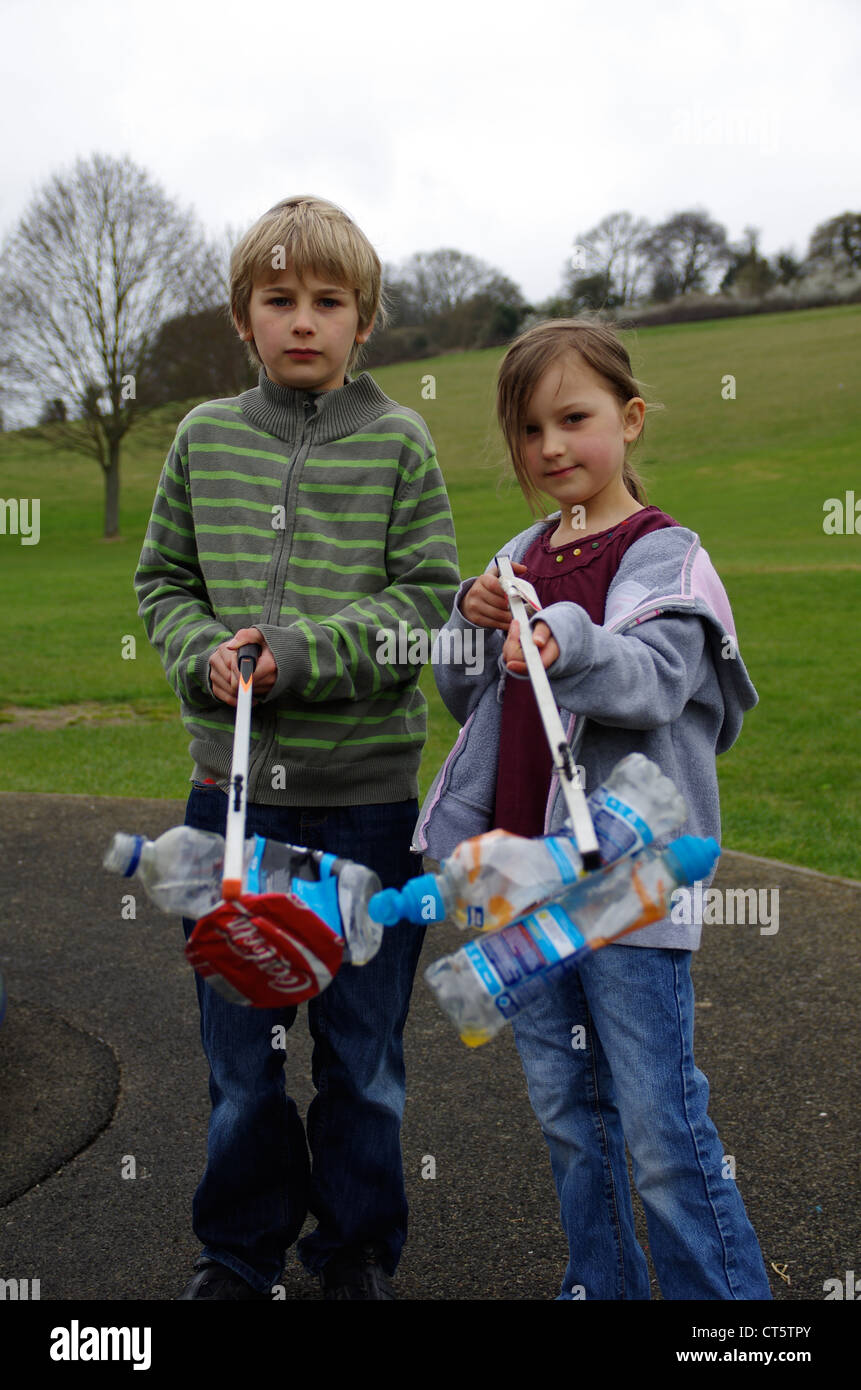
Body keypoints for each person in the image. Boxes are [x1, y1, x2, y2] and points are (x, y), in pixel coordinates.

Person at [135, 195, 460, 1300]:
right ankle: (238, 1255)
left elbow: (425, 603)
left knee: (362, 1065)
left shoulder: (401, 442)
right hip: (234, 807)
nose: (305, 320)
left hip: (368, 812)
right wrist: (200, 655)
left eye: (330, 301)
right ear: (244, 317)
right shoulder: (201, 438)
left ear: (364, 322)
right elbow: (163, 584)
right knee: (241, 1067)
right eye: (281, 299)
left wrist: (298, 650)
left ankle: (356, 1254)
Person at [415, 319, 772, 1300]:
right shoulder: (517, 552)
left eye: (574, 418)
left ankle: (727, 1314)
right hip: (519, 874)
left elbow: (657, 678)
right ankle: (600, 1283)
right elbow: (469, 701)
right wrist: (469, 622)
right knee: (571, 1112)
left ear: (632, 416)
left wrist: (561, 634)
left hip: (625, 880)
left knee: (660, 1121)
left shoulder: (667, 554)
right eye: (530, 430)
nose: (551, 447)